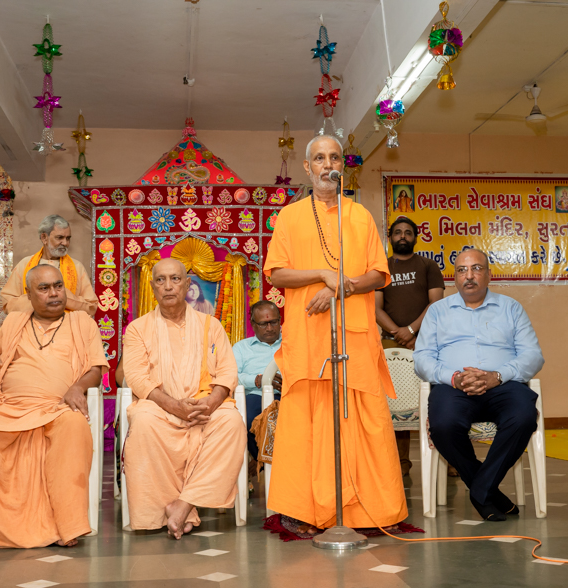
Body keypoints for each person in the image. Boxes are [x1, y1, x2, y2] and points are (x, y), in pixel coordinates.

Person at [264, 134, 407, 537]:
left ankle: (374, 509)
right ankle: (303, 510)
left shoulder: (359, 215)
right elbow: (276, 273)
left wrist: (338, 287)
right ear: (308, 168)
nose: (329, 164)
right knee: (306, 420)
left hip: (356, 336)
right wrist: (321, 275)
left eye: (335, 158)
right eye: (320, 158)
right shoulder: (289, 217)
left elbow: (379, 274)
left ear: (343, 166)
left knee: (365, 420)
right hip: (308, 337)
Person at [0, 265, 106, 548]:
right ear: (29, 295)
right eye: (44, 289)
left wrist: (77, 387)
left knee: (74, 425)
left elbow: (95, 369)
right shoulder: (14, 322)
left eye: (58, 286)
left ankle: (65, 525)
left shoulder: (82, 322)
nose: (54, 293)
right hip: (8, 406)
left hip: (56, 407)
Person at [118, 258, 247, 539]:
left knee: (231, 422)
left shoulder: (210, 325)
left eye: (175, 279)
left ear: (188, 285)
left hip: (205, 406)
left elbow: (227, 371)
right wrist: (175, 406)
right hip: (160, 408)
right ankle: (170, 510)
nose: (168, 286)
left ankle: (182, 506)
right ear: (152, 288)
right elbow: (137, 377)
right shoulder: (137, 329)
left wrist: (211, 403)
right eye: (161, 280)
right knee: (143, 421)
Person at [413, 248, 544, 522]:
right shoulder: (438, 312)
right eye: (462, 270)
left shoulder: (511, 308)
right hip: (453, 386)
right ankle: (488, 490)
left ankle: (480, 490)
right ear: (454, 278)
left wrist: (497, 375)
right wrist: (454, 378)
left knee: (523, 416)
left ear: (488, 274)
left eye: (476, 269)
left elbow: (533, 356)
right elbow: (422, 359)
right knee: (444, 425)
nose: (469, 276)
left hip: (502, 385)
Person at [375, 216, 445, 487]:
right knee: (396, 400)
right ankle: (401, 464)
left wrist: (413, 332)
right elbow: (375, 308)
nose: (402, 236)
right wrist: (397, 333)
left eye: (408, 233)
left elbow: (435, 304)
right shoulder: (381, 269)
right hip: (391, 342)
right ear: (390, 237)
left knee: (439, 397)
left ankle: (449, 460)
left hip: (427, 340)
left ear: (416, 237)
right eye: (397, 233)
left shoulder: (428, 265)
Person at [0, 214, 97, 316]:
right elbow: (8, 303)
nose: (65, 243)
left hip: (66, 328)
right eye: (60, 237)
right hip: (31, 328)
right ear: (44, 238)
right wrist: (39, 299)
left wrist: (64, 298)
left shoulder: (77, 267)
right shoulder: (25, 264)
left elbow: (91, 307)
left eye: (68, 238)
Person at [233, 300, 283, 460]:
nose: (269, 328)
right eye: (263, 324)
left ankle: (290, 467)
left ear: (280, 319)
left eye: (273, 322)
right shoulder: (241, 348)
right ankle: (264, 464)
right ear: (253, 325)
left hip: (289, 394)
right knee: (244, 420)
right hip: (255, 395)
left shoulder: (292, 344)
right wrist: (256, 380)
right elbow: (231, 376)